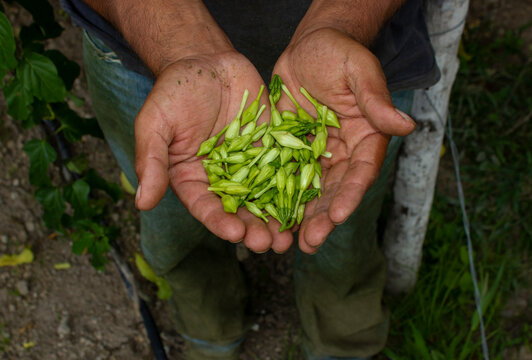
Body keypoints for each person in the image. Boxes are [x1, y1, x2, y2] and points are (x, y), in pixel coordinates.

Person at [60, 0, 440, 359]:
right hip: (146, 44)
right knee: (175, 228)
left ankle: (341, 342)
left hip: (356, 63)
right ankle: (210, 332)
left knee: (345, 228)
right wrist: (180, 41)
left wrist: (342, 21)